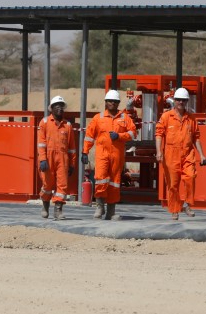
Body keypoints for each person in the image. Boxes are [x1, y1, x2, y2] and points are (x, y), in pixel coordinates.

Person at [81, 89, 137, 220]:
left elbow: (133, 133)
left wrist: (119, 136)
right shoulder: (98, 118)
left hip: (117, 156)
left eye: (115, 101)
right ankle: (100, 207)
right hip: (102, 155)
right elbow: (89, 136)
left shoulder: (125, 118)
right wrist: (85, 151)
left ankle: (111, 211)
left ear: (118, 103)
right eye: (110, 101)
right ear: (106, 102)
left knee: (114, 183)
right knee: (100, 179)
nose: (112, 103)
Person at [155, 87, 206, 220]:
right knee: (173, 185)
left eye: (183, 100)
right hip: (170, 155)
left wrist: (202, 155)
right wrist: (158, 152)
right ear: (174, 101)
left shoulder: (191, 118)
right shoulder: (166, 117)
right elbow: (159, 134)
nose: (181, 102)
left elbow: (196, 137)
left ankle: (188, 205)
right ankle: (174, 210)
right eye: (178, 100)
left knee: (190, 177)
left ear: (187, 102)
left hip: (187, 154)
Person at [37, 95, 78, 220]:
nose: (59, 108)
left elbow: (72, 147)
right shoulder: (44, 123)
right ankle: (45, 204)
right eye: (57, 106)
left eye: (61, 106)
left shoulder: (68, 126)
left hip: (63, 158)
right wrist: (43, 159)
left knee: (62, 185)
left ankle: (58, 210)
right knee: (47, 184)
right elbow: (41, 143)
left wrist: (72, 163)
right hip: (48, 158)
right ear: (52, 108)